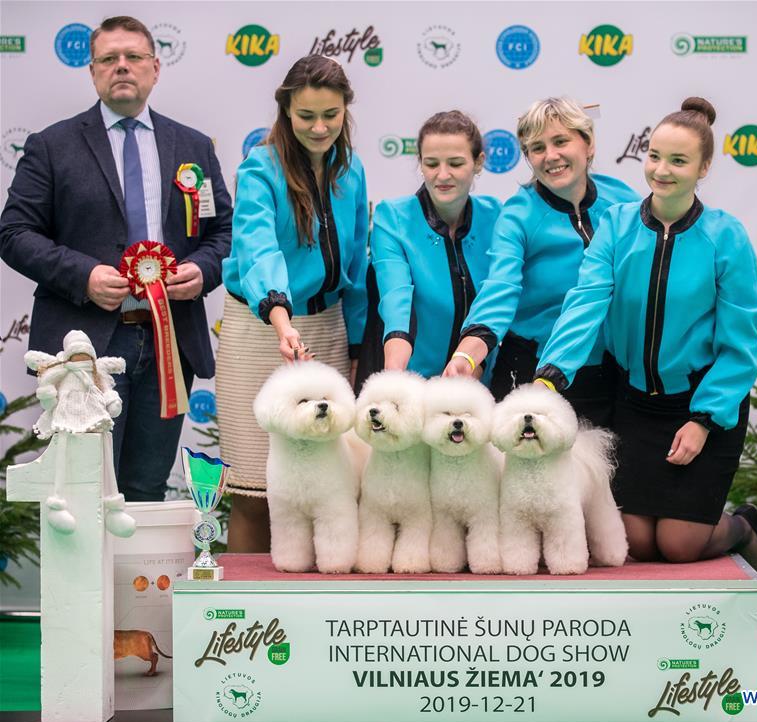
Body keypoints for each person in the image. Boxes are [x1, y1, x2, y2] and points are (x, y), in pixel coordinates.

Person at [533, 98, 757, 591]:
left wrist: (704, 420)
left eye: (678, 161)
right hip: (636, 404)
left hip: (703, 403)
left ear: (703, 168)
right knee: (639, 543)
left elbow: (738, 345)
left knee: (680, 545)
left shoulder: (726, 236)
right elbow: (586, 301)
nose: (661, 170)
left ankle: (743, 525)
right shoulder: (617, 225)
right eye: (654, 156)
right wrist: (550, 375)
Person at [0, 16, 232, 502]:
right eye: (108, 58)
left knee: (146, 490)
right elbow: (14, 233)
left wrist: (202, 270)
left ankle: (138, 560)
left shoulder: (193, 146)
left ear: (155, 68)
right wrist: (84, 275)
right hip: (82, 349)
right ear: (93, 72)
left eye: (133, 57)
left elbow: (222, 232)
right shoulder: (52, 146)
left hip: (170, 343)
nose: (121, 66)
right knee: (84, 492)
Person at [216, 55, 368, 552]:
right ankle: (246, 602)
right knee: (256, 490)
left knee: (327, 487)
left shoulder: (353, 170)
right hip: (263, 330)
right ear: (285, 111)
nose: (319, 127)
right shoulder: (259, 168)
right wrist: (282, 322)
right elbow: (257, 249)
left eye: (330, 114)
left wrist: (358, 346)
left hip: (326, 328)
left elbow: (358, 263)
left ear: (345, 110)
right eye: (306, 116)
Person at [443, 97, 639, 426]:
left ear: (589, 144)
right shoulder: (518, 215)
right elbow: (499, 289)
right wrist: (468, 353)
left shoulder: (624, 202)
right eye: (537, 148)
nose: (550, 156)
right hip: (530, 371)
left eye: (561, 141)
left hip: (608, 373)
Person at [356, 111, 501, 385]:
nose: (442, 175)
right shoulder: (393, 218)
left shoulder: (496, 216)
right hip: (412, 381)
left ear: (479, 162)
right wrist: (395, 374)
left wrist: (474, 366)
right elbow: (396, 299)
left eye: (455, 163)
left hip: (478, 380)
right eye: (431, 163)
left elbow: (497, 300)